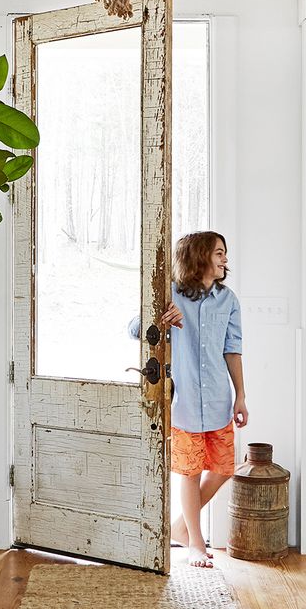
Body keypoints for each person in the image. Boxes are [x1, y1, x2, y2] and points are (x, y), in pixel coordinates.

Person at [132, 231, 248, 568]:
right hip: (182, 400)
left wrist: (241, 396)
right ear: (200, 257)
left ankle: (182, 528)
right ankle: (196, 544)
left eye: (224, 254)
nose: (225, 260)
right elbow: (133, 327)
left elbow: (233, 349)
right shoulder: (169, 293)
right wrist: (161, 322)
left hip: (218, 399)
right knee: (190, 472)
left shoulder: (229, 301)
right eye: (219, 253)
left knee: (224, 467)